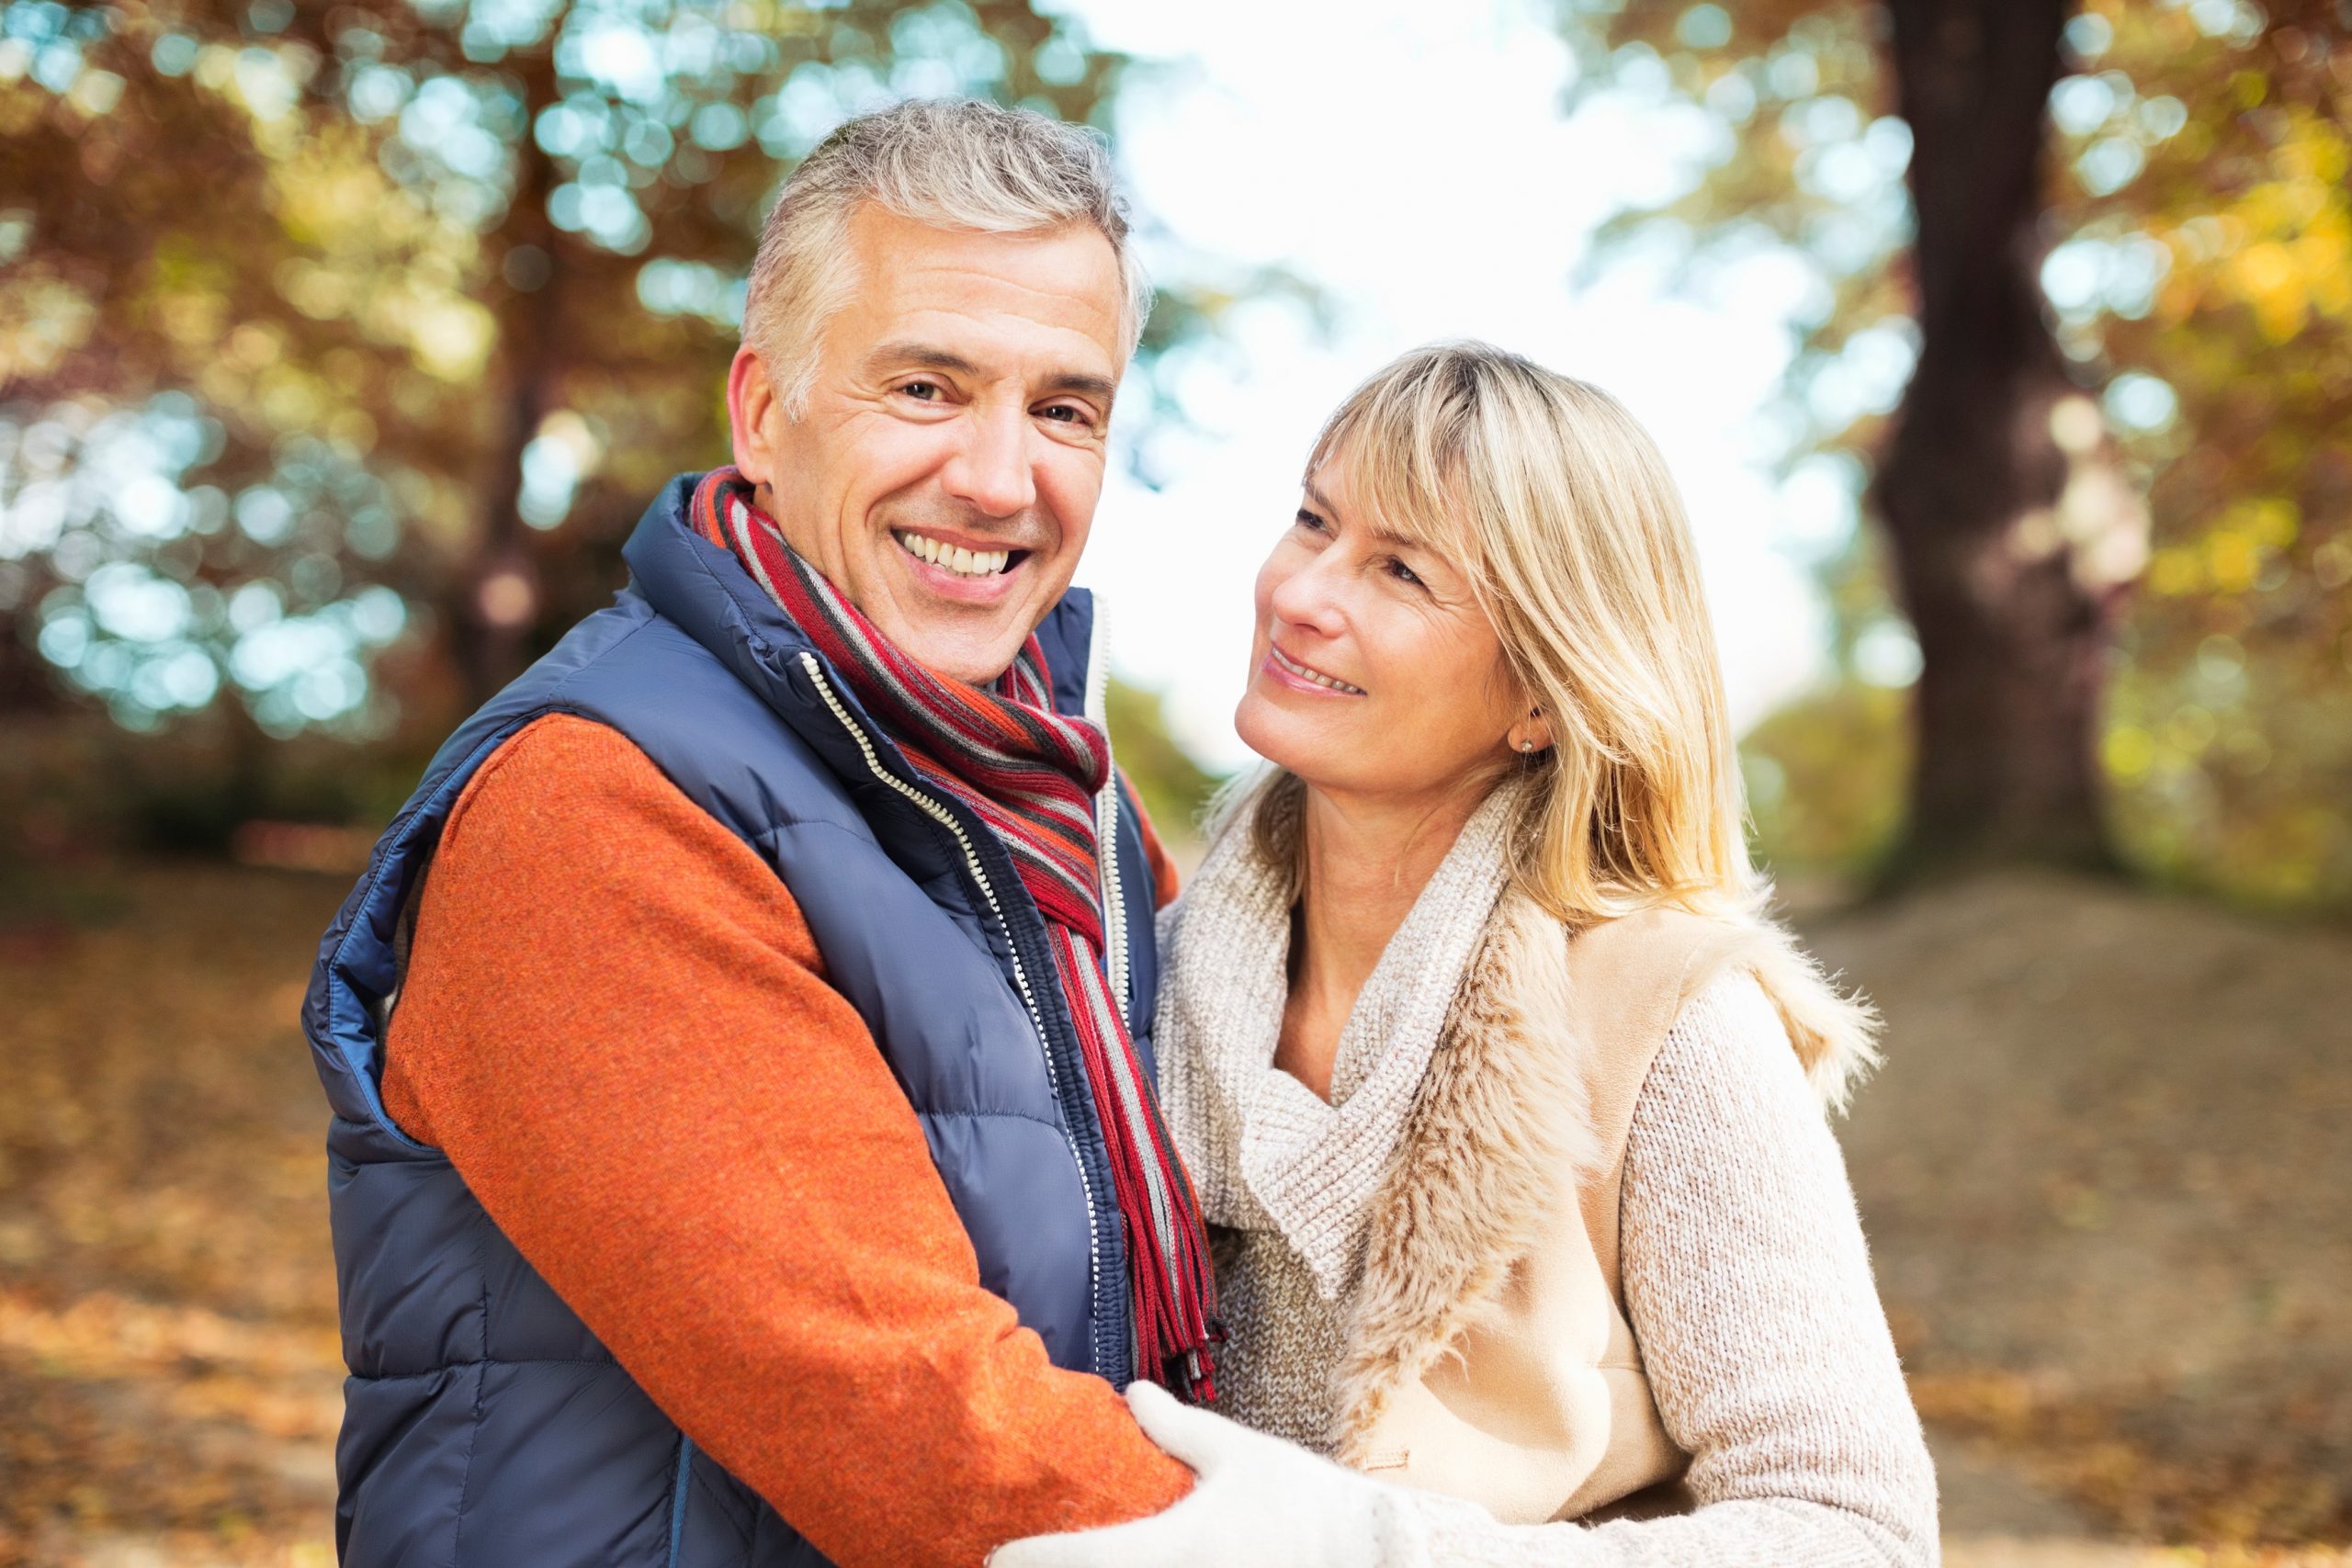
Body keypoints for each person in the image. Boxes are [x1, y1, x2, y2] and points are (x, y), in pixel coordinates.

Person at [300, 99, 1221, 1568]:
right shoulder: (599, 801)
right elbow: (916, 1421)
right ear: (763, 412)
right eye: (925, 387)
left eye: (1064, 408)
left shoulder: (1068, 817)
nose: (999, 479)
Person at [997, 344, 1941, 1567]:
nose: (1301, 593)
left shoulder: (1664, 1017)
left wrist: (1380, 1551)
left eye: (1399, 569)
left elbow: (1857, 1533)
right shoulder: (1136, 974)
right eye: (1312, 520)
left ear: (1543, 696)